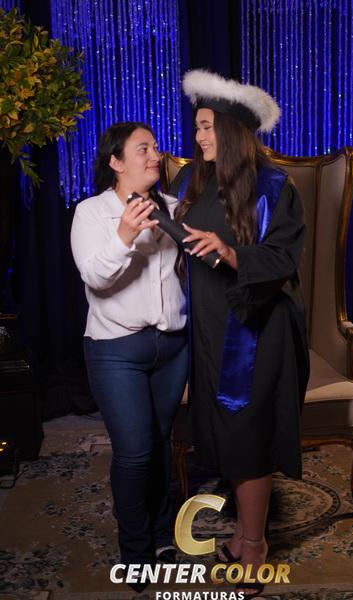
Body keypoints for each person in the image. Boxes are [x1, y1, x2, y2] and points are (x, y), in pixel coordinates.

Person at [171, 71, 309, 599]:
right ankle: (244, 534)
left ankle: (254, 545)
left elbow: (282, 259)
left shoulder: (273, 186)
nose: (199, 137)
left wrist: (231, 254)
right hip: (209, 328)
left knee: (247, 437)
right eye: (197, 127)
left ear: (230, 130)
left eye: (207, 127)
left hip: (255, 334)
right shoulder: (194, 180)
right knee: (224, 434)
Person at [71, 122, 187, 592]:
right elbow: (95, 278)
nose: (155, 155)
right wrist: (124, 233)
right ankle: (136, 553)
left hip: (172, 347)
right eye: (143, 149)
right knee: (136, 453)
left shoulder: (173, 208)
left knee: (160, 443)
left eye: (155, 147)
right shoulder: (92, 213)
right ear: (116, 162)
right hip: (115, 350)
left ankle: (161, 538)